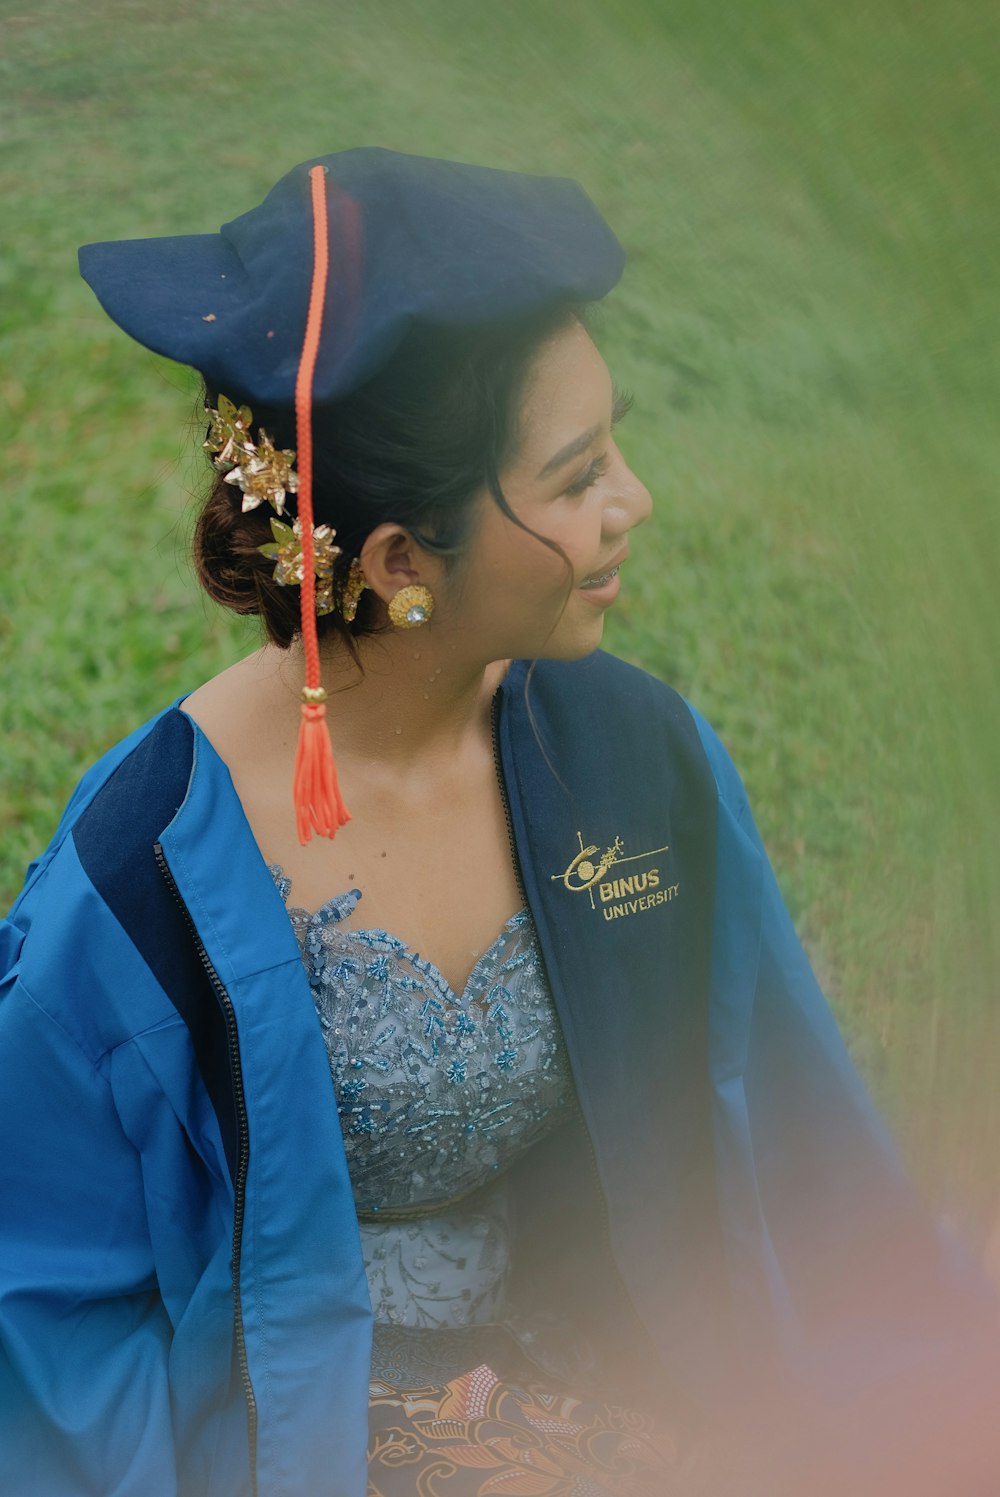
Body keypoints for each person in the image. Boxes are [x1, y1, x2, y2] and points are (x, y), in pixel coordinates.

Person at [1, 147, 998, 1497]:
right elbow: (49, 1317)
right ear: (403, 563)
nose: (632, 501)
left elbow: (798, 1134)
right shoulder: (144, 887)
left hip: (609, 1378)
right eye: (579, 473)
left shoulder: (639, 763)